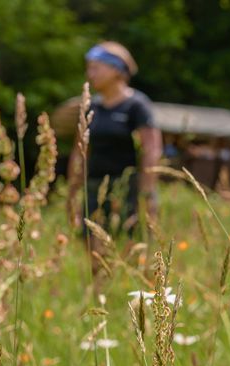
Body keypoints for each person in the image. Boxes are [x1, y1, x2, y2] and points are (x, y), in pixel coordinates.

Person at [66, 41, 162, 238]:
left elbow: (151, 151)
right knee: (92, 246)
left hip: (129, 190)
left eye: (95, 68)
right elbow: (79, 151)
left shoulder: (137, 106)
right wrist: (73, 192)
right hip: (94, 189)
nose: (89, 74)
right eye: (88, 69)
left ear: (115, 70)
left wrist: (147, 194)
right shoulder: (91, 107)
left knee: (129, 246)